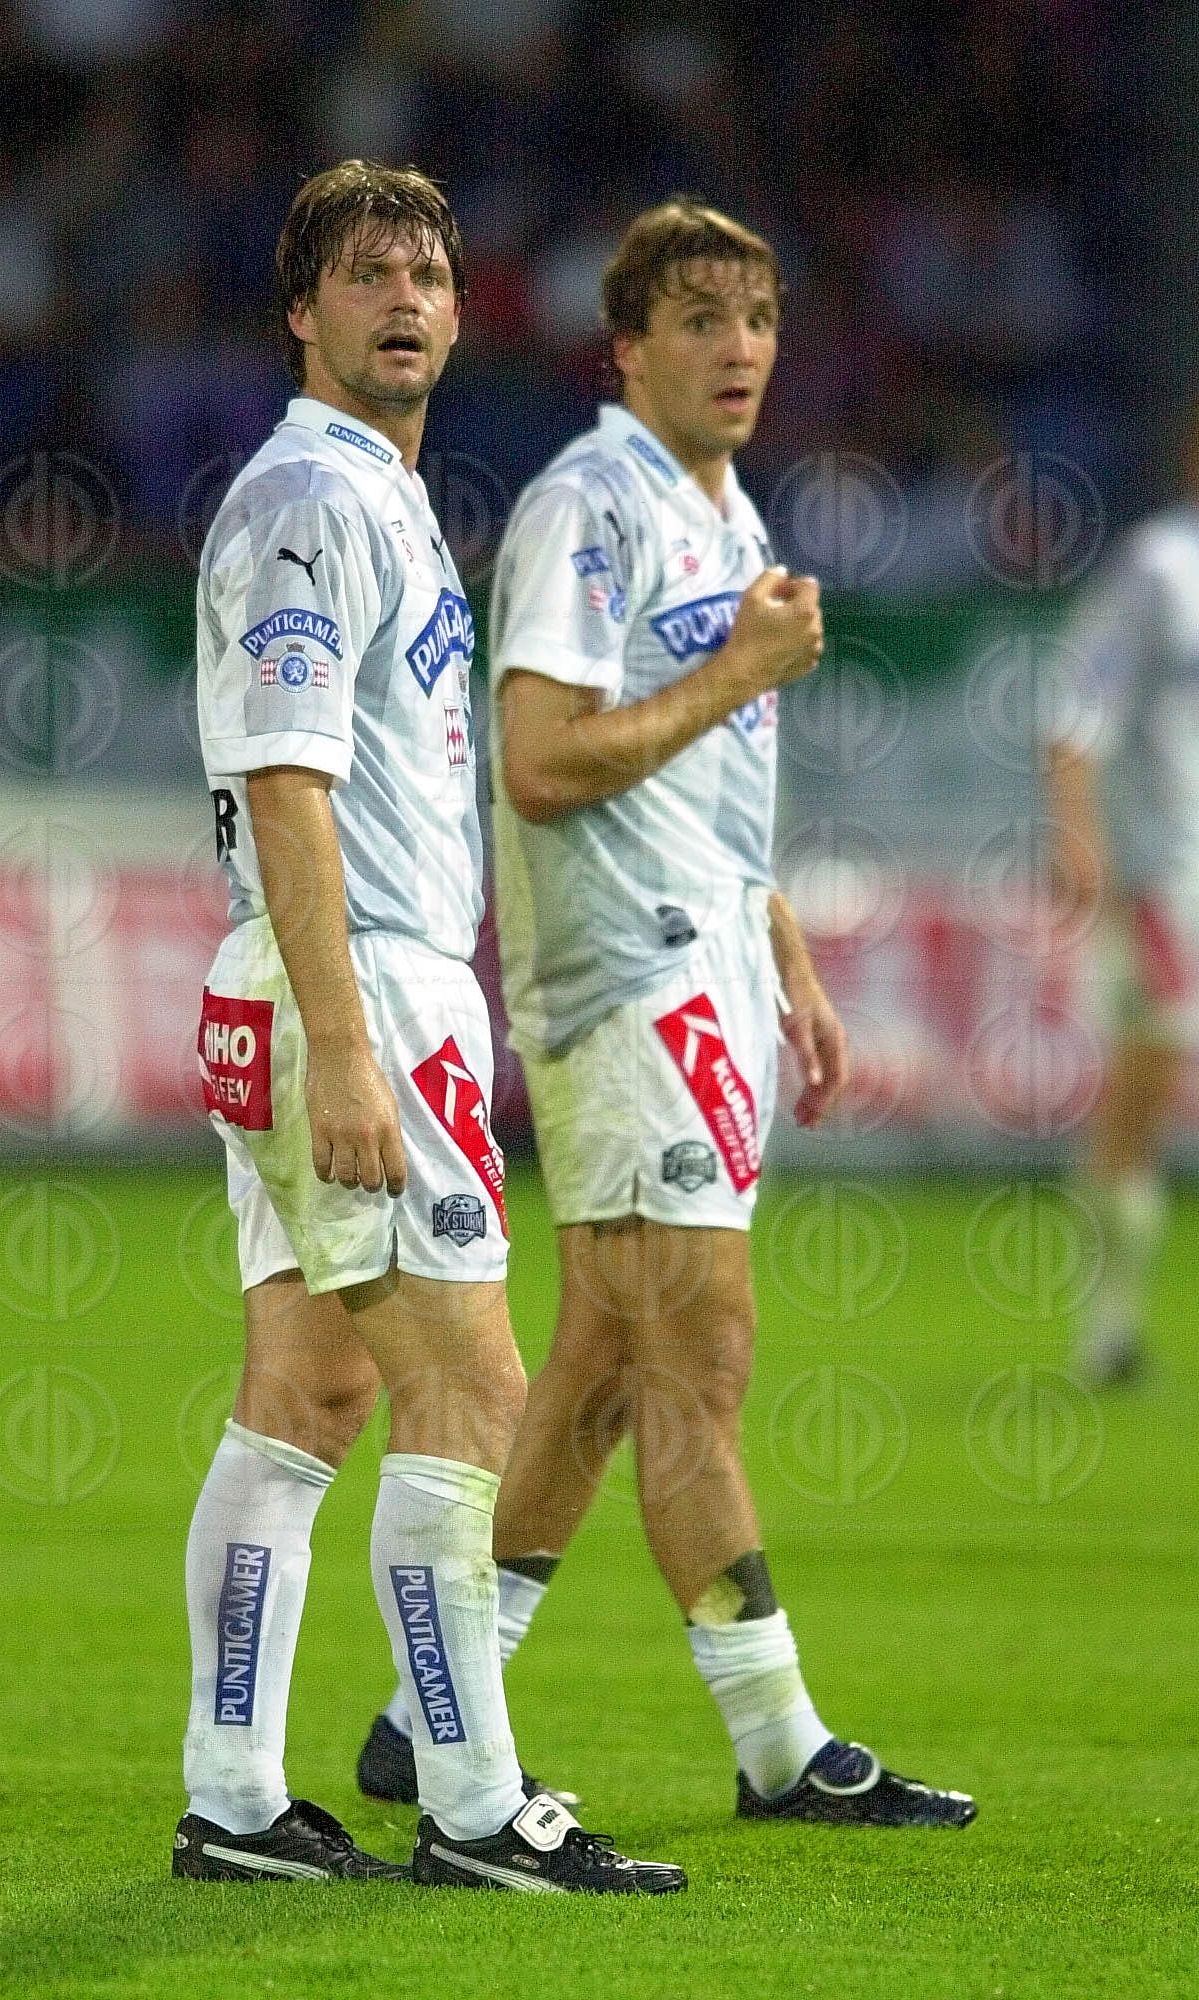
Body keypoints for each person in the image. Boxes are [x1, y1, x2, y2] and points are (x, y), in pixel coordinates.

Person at [358, 198, 976, 1830]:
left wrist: (784, 954)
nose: (739, 347)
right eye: (700, 319)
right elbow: (540, 761)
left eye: (758, 318)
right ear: (625, 348)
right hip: (625, 985)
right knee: (699, 1357)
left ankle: (425, 1713)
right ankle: (780, 1742)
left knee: (606, 1370)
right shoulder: (590, 506)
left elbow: (708, 790)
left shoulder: (724, 507)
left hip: (705, 970)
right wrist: (739, 675)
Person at [176, 160, 685, 1896]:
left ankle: (233, 1797)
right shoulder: (309, 499)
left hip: (319, 981)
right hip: (354, 986)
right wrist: (345, 1045)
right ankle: (475, 1808)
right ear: (299, 312)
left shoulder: (372, 499)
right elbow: (288, 782)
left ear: (462, 316)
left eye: (427, 275)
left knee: (306, 1392)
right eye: (363, 272)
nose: (403, 297)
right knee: (472, 1390)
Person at [1044, 402, 1199, 1386]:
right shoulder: (1158, 569)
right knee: (1147, 1086)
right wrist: (1077, 832)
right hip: (1166, 876)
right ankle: (1108, 1321)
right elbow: (1075, 708)